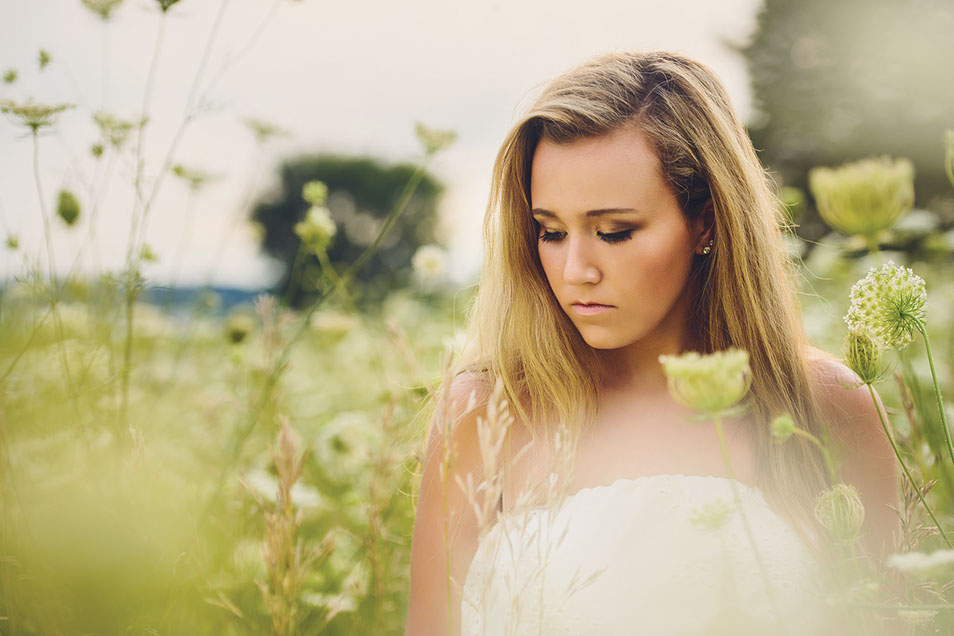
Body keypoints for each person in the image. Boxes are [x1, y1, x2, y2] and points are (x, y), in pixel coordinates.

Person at [406, 50, 899, 635]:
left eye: (614, 232)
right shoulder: (487, 412)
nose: (575, 270)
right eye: (552, 232)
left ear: (707, 223)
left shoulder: (825, 407)